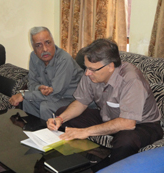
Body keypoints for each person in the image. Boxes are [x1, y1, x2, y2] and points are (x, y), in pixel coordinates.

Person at [47, 38, 163, 171]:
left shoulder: (131, 79)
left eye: (92, 69)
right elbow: (81, 102)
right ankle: (78, 164)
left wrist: (86, 131)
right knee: (63, 113)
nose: (87, 73)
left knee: (126, 140)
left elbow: (127, 123)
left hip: (142, 124)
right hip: (109, 116)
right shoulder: (91, 74)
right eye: (86, 67)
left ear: (110, 66)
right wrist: (60, 119)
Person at [9, 26, 83, 120]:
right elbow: (31, 83)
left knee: (46, 106)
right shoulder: (33, 57)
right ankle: (32, 131)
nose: (45, 49)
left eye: (48, 43)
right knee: (28, 101)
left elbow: (55, 94)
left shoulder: (64, 60)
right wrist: (38, 87)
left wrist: (23, 94)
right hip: (53, 96)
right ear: (34, 49)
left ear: (53, 42)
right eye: (38, 45)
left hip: (72, 99)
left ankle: (48, 134)